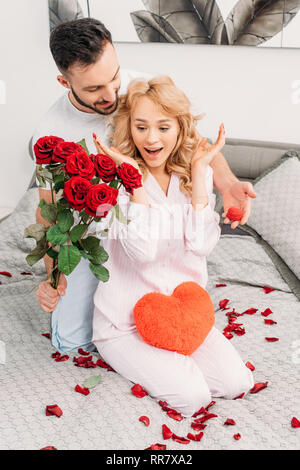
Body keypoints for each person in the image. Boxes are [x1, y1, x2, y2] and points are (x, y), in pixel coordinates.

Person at [34, 18, 256, 353]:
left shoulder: (139, 85)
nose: (112, 95)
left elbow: (192, 140)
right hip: (94, 234)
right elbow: (47, 210)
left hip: (147, 222)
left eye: (113, 78)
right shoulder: (50, 133)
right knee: (71, 342)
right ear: (64, 81)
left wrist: (227, 184)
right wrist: (53, 276)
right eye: (94, 89)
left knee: (161, 318)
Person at [90, 75, 254, 418]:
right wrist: (135, 185)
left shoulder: (197, 173)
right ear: (129, 128)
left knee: (237, 383)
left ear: (180, 129)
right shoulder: (114, 181)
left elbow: (202, 245)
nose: (151, 138)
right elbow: (143, 252)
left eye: (163, 127)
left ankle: (177, 360)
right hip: (125, 325)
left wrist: (198, 176)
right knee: (191, 397)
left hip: (183, 314)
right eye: (141, 126)